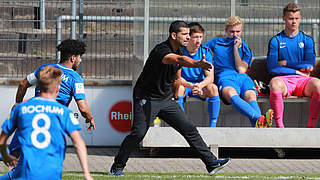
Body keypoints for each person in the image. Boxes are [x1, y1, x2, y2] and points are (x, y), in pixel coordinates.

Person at [109, 20, 230, 176]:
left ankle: (211, 163)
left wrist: (184, 90)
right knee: (138, 133)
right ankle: (117, 167)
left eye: (189, 34)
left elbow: (176, 78)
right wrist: (197, 64)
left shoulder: (180, 50)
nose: (188, 37)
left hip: (165, 99)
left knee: (189, 129)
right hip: (146, 97)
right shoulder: (161, 51)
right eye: (184, 34)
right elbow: (179, 61)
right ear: (174, 35)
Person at [0, 66, 93, 180]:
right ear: (58, 89)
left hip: (26, 172)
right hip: (51, 173)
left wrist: (5, 157)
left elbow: (2, 141)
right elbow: (79, 143)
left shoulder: (21, 109)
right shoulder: (64, 112)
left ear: (38, 85)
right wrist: (86, 173)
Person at [9, 39, 95, 158]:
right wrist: (90, 118)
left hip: (31, 115)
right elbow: (83, 108)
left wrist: (17, 104)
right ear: (73, 58)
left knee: (14, 157)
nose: (80, 61)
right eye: (80, 58)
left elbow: (23, 84)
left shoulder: (45, 69)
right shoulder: (75, 78)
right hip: (51, 122)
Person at [206, 16, 272, 128]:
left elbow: (241, 69)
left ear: (241, 31)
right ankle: (260, 118)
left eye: (238, 32)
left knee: (251, 95)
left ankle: (260, 123)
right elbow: (200, 51)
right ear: (226, 30)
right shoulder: (215, 43)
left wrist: (236, 49)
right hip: (225, 77)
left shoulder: (245, 48)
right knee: (231, 93)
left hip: (242, 78)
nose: (235, 35)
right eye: (232, 31)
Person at [267, 3, 320, 128]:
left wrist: (286, 63)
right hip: (285, 80)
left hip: (303, 81)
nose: (294, 22)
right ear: (284, 18)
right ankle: (280, 127)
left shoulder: (307, 40)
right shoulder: (276, 40)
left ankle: (310, 126)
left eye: (296, 18)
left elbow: (309, 65)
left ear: (300, 18)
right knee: (274, 84)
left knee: (318, 85)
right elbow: (272, 68)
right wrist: (297, 71)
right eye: (290, 18)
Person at [176, 22, 220, 127]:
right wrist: (190, 86)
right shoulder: (179, 51)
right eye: (195, 37)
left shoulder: (206, 52)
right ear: (188, 37)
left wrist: (199, 85)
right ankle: (182, 125)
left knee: (213, 88)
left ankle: (213, 127)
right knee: (179, 89)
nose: (198, 40)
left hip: (199, 86)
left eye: (200, 37)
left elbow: (210, 77)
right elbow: (176, 77)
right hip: (184, 85)